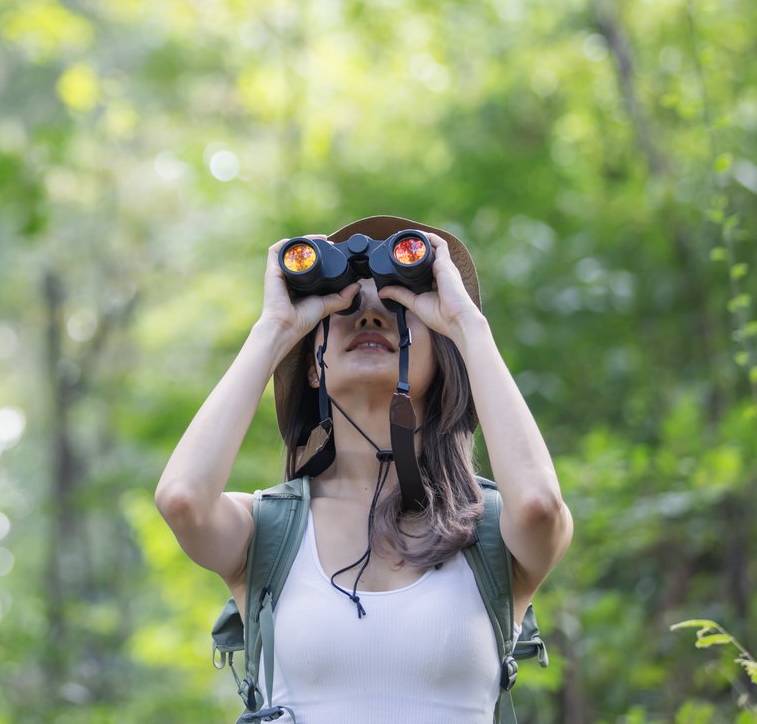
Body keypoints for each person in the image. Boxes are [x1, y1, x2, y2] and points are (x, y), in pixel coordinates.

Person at [154, 215, 573, 720]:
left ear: (441, 359)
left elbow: (539, 505)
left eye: (396, 309)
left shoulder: (487, 532)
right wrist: (276, 329)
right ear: (313, 365)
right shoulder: (267, 532)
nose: (370, 317)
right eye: (347, 310)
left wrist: (466, 324)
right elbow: (182, 499)